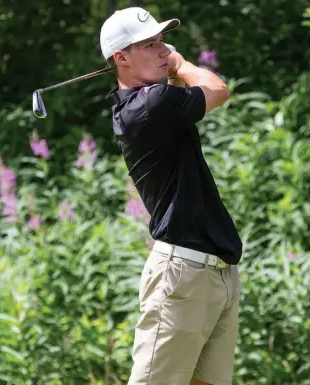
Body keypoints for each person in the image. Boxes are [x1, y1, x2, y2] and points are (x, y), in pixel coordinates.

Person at [100, 7, 243, 385]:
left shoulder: (150, 103)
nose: (163, 50)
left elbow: (175, 98)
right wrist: (180, 62)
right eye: (149, 45)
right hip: (182, 273)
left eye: (162, 42)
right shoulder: (149, 106)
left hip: (215, 273)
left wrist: (168, 71)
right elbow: (217, 89)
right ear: (122, 57)